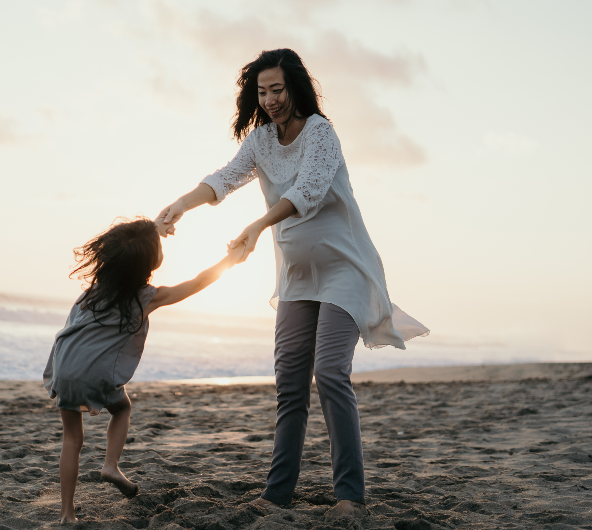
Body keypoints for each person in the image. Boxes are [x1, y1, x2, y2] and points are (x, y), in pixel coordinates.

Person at [157, 49, 429, 519]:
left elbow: (308, 191)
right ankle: (278, 492)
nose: (270, 100)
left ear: (295, 87)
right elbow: (226, 178)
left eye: (277, 90)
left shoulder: (322, 133)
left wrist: (260, 226)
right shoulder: (261, 140)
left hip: (343, 269)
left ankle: (349, 496)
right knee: (289, 385)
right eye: (262, 92)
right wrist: (182, 203)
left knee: (329, 373)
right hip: (297, 276)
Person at [42, 217, 245, 524]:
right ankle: (111, 465)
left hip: (64, 363)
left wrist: (157, 227)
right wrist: (231, 259)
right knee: (122, 408)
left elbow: (73, 326)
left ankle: (67, 514)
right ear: (149, 263)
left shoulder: (92, 292)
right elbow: (198, 283)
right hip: (95, 371)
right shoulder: (147, 296)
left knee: (72, 439)